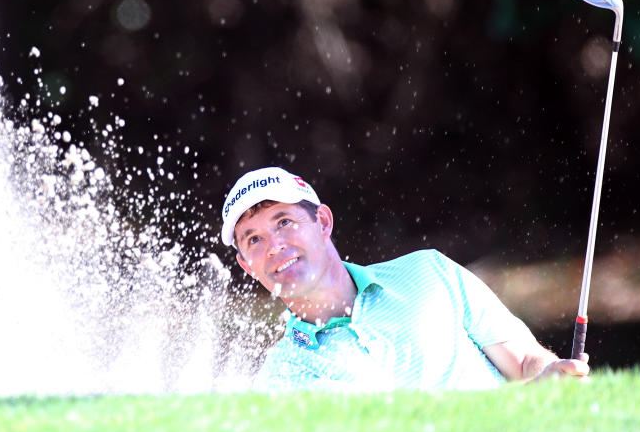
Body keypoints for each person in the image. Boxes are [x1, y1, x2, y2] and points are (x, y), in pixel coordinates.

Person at [221, 166, 590, 391]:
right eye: (254, 239)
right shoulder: (283, 375)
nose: (274, 246)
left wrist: (552, 375)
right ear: (246, 265)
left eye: (284, 222)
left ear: (323, 222)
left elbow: (526, 360)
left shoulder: (428, 271)